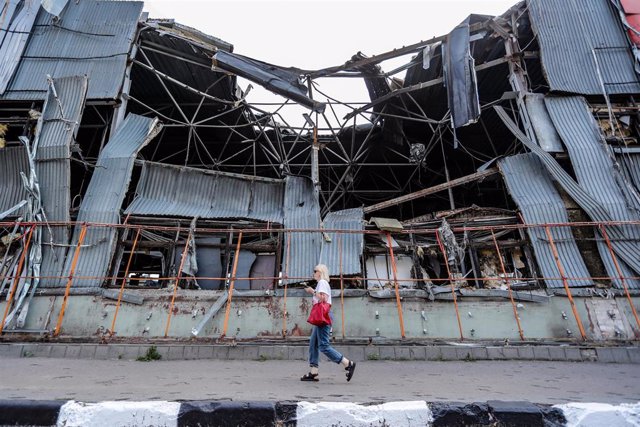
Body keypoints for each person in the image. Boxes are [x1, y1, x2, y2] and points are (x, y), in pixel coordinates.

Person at [300, 264, 356, 382]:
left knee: (323, 346)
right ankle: (313, 372)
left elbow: (323, 298)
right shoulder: (321, 283)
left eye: (315, 271)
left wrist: (312, 291)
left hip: (323, 317)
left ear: (320, 272)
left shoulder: (323, 283)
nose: (313, 273)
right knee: (313, 343)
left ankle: (347, 363)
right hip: (321, 317)